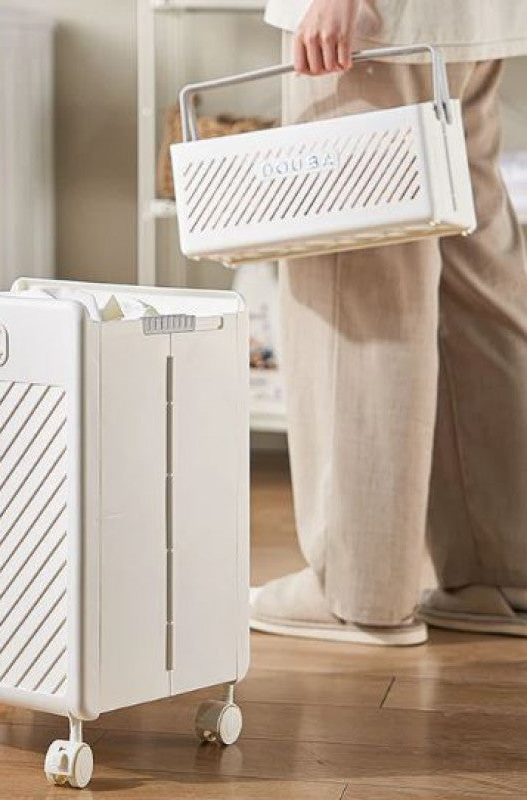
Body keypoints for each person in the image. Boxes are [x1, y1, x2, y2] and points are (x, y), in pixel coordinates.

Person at [249, 0, 527, 645]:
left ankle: (357, 590)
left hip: (374, 26)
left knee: (361, 285)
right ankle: (503, 573)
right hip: (470, 21)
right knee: (476, 286)